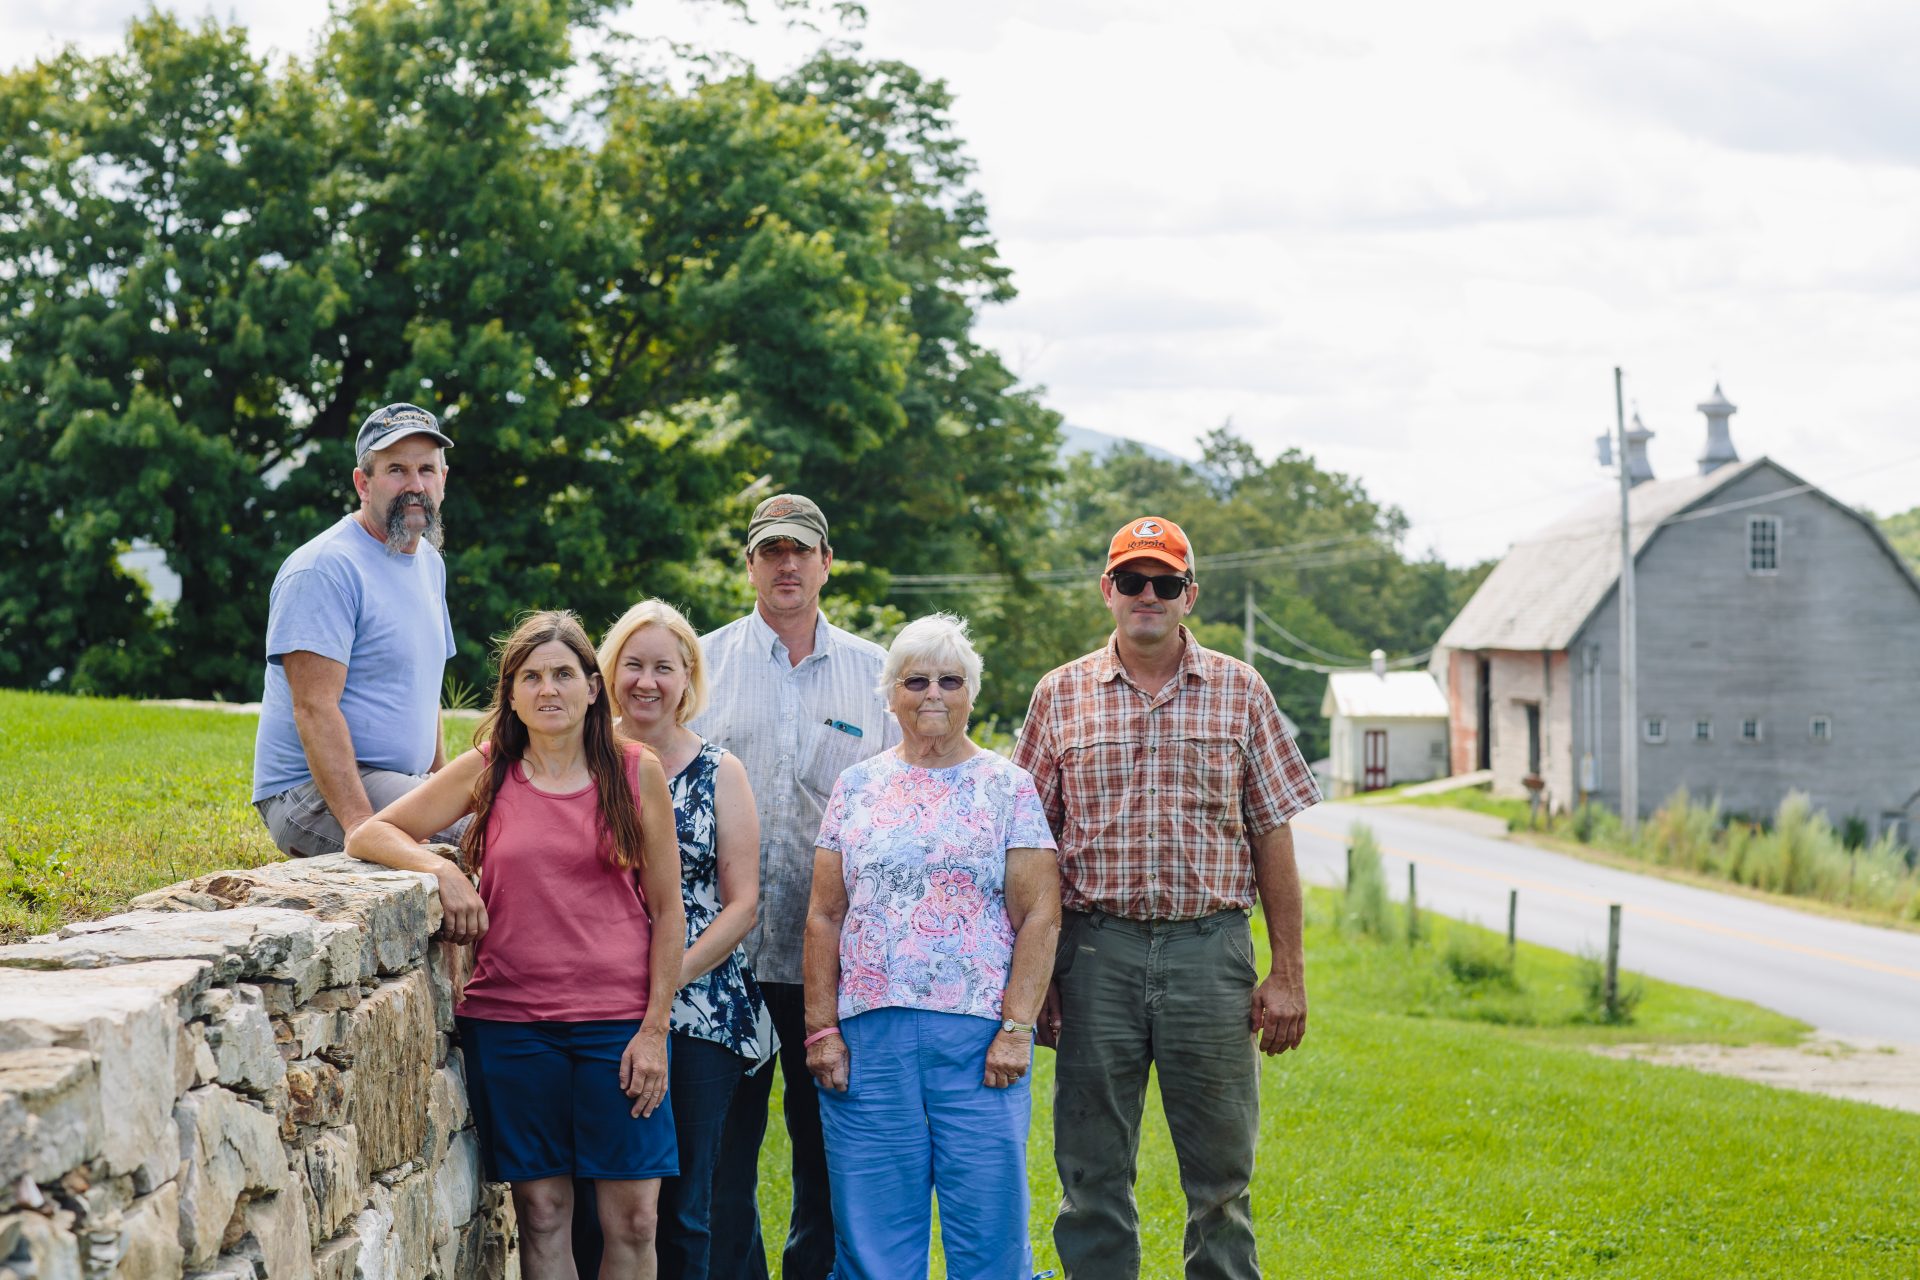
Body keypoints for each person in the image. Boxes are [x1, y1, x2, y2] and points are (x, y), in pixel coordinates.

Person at [1011, 516, 1321, 1280]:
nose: (1148, 595)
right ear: (1107, 591)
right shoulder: (1059, 695)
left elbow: (1272, 835)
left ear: (1190, 596)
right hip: (1094, 952)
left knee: (1221, 1179)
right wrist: (1038, 973)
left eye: (1166, 583)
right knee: (1089, 1175)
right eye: (1132, 580)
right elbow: (1030, 845)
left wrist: (1288, 973)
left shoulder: (1242, 690)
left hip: (1209, 952)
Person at [346, 610, 685, 1280]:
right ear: (512, 693)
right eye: (530, 676)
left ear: (594, 687)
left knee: (636, 1221)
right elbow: (370, 833)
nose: (547, 689)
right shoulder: (491, 769)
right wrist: (443, 868)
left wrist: (654, 1030)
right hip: (513, 1024)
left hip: (617, 1027)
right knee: (544, 1214)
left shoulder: (635, 771)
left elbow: (669, 911)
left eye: (563, 673)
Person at [803, 614, 1060, 1280]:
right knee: (872, 1241)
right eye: (915, 681)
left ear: (972, 691)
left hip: (979, 1046)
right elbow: (825, 916)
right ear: (890, 694)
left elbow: (1039, 914)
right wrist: (820, 1030)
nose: (933, 695)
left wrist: (1016, 1028)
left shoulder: (1008, 786)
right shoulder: (857, 787)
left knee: (991, 1236)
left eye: (951, 680)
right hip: (868, 1044)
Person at [691, 493, 900, 1280]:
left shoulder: (879, 678)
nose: (787, 564)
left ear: (826, 563)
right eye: (771, 550)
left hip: (833, 968)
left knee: (828, 1162)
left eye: (801, 551)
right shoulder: (698, 666)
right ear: (749, 563)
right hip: (721, 961)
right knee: (719, 1162)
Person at [571, 599, 776, 1280]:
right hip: (591, 1004)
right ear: (608, 672)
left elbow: (741, 903)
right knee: (596, 1200)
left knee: (690, 1205)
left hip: (699, 1008)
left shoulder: (721, 772)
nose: (648, 681)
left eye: (665, 666)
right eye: (633, 664)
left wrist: (664, 980)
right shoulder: (582, 765)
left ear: (689, 678)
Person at [252, 402, 464, 856]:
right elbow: (313, 709)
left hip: (393, 782)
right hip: (310, 793)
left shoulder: (429, 562)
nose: (415, 486)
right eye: (396, 470)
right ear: (362, 483)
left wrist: (442, 788)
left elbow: (424, 697)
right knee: (489, 835)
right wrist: (364, 830)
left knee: (511, 808)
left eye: (427, 470)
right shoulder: (325, 569)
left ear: (443, 481)